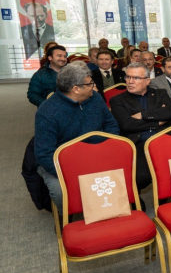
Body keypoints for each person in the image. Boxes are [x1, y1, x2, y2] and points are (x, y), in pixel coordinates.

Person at [35, 62, 120, 210]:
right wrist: (75, 170)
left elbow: (111, 125)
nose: (94, 86)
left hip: (98, 153)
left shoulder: (95, 98)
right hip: (64, 162)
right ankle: (69, 216)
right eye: (90, 83)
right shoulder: (47, 112)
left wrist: (104, 150)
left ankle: (109, 209)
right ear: (76, 89)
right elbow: (44, 154)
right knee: (60, 192)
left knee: (124, 174)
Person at [110, 62, 171, 192]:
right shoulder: (117, 100)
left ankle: (164, 198)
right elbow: (127, 124)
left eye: (136, 78)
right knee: (141, 177)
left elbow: (169, 112)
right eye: (128, 77)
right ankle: (136, 199)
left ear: (147, 81)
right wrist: (157, 122)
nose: (130, 81)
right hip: (139, 143)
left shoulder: (160, 93)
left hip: (165, 139)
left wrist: (142, 115)